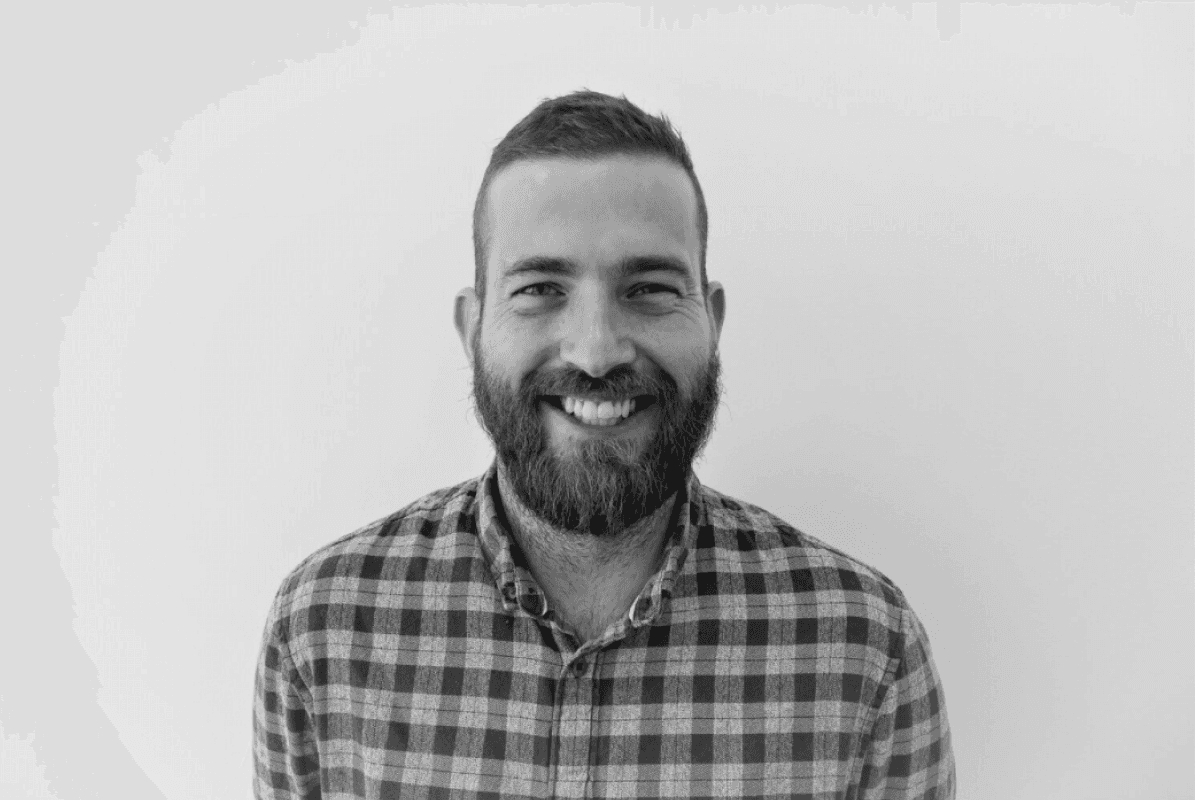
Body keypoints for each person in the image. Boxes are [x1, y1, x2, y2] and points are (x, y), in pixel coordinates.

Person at [254, 89, 955, 799]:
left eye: (649, 288)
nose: (595, 351)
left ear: (711, 322)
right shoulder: (324, 632)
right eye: (539, 288)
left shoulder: (865, 648)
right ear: (473, 330)